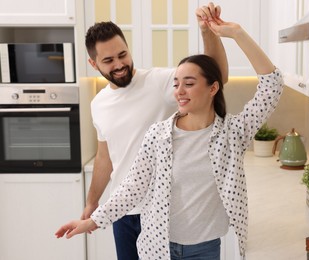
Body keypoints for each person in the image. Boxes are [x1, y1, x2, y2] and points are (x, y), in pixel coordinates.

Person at [56, 16, 283, 260]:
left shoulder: (232, 134)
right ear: (94, 63)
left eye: (189, 83)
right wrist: (92, 219)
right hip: (157, 244)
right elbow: (132, 187)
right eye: (176, 84)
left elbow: (272, 87)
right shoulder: (158, 135)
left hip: (205, 248)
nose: (179, 91)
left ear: (212, 88)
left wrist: (237, 33)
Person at [80, 3, 228, 260]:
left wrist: (207, 31)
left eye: (122, 54)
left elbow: (216, 76)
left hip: (164, 210)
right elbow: (106, 157)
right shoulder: (98, 103)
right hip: (123, 213)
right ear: (94, 64)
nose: (119, 64)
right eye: (108, 60)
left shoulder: (160, 82)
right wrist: (92, 203)